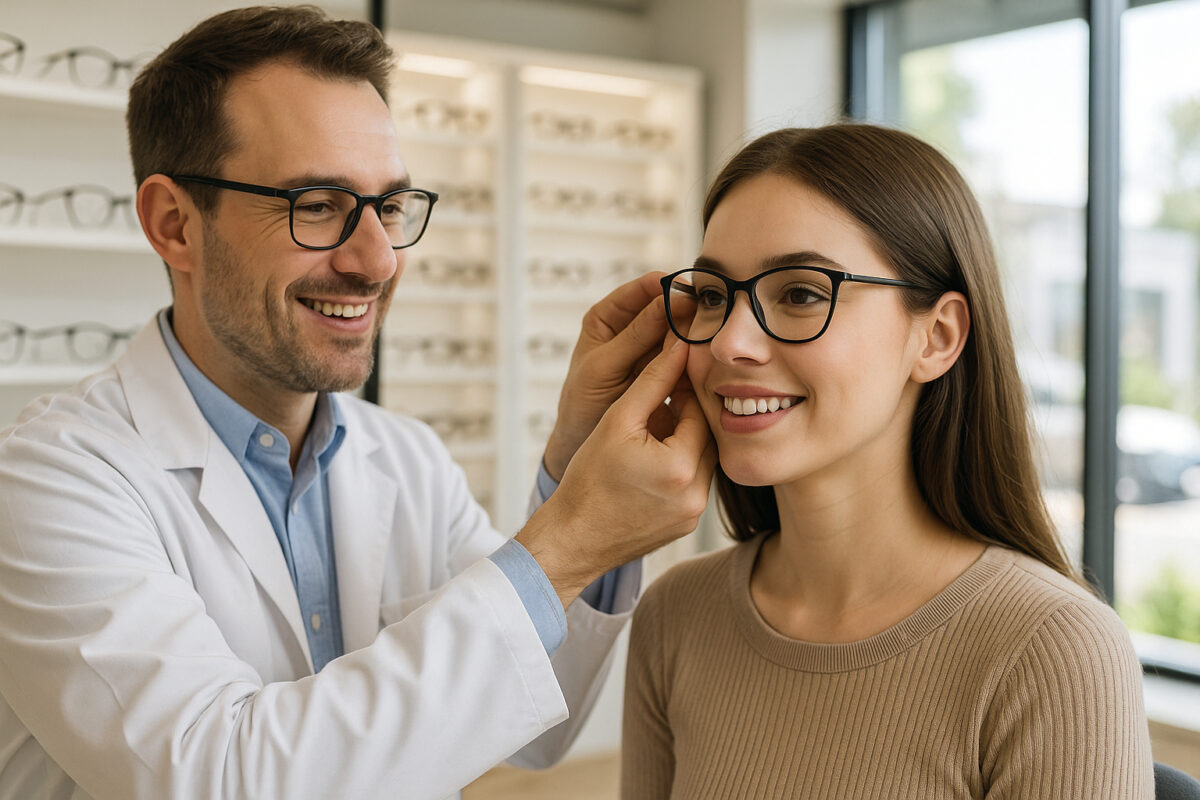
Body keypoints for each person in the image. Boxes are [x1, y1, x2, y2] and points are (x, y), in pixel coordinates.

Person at [0, 7, 715, 800]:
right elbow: (219, 780)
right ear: (175, 225)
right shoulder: (50, 481)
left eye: (391, 207)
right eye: (317, 205)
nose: (377, 260)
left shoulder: (405, 459)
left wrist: (576, 469)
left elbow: (534, 721)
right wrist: (573, 538)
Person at [621, 123, 1154, 799]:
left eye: (801, 294)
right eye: (714, 296)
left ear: (936, 336)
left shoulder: (1055, 649)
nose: (731, 342)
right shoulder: (675, 614)